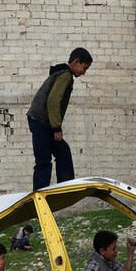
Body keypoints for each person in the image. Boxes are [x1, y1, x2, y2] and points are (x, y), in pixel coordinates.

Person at [27, 47, 93, 191]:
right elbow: (53, 100)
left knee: (63, 152)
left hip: (41, 121)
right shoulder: (66, 75)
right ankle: (40, 196)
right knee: (44, 161)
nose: (84, 72)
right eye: (84, 68)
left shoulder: (61, 73)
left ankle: (65, 188)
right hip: (42, 122)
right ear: (76, 62)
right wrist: (56, 128)